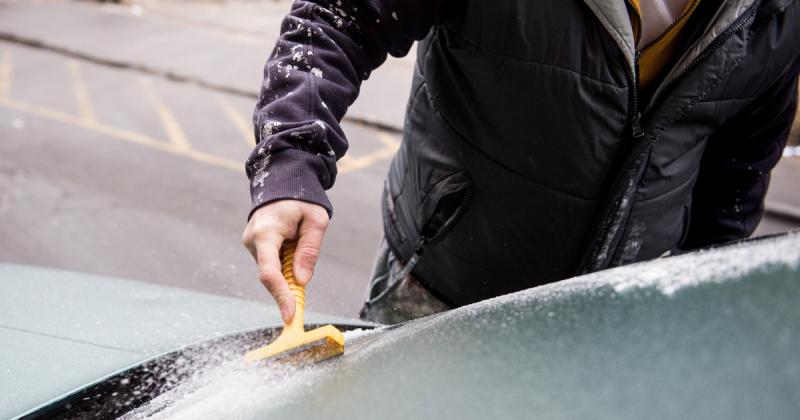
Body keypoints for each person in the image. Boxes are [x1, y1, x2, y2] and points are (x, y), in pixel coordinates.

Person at [241, 0, 800, 325]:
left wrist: (705, 302)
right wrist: (290, 164)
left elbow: (740, 170)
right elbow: (340, 18)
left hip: (617, 326)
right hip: (438, 296)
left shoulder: (780, 13)